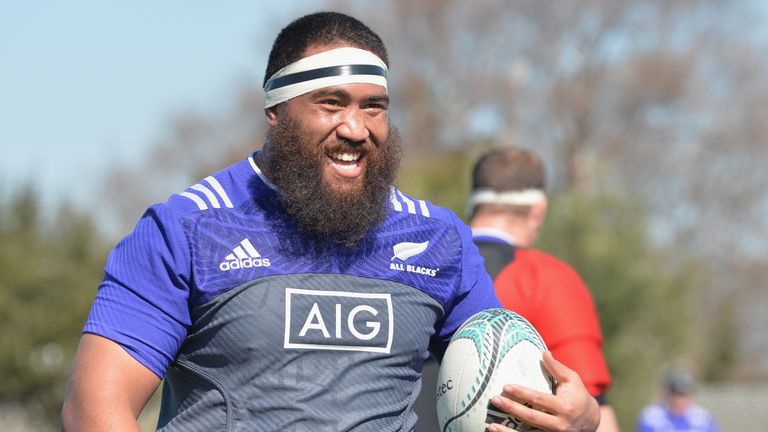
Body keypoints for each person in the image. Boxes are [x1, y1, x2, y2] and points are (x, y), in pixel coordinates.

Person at [60, 12, 599, 431]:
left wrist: (578, 414)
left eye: (373, 107)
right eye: (330, 103)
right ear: (275, 111)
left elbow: (506, 379)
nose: (355, 128)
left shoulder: (438, 240)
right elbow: (93, 410)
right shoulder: (186, 229)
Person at [467, 147, 620, 432]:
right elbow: (590, 407)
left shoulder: (416, 265)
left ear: (473, 204)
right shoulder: (547, 279)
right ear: (539, 210)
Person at [636, 370, 719, 432]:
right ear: (668, 395)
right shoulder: (652, 416)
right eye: (679, 395)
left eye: (686, 395)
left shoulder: (703, 418)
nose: (682, 400)